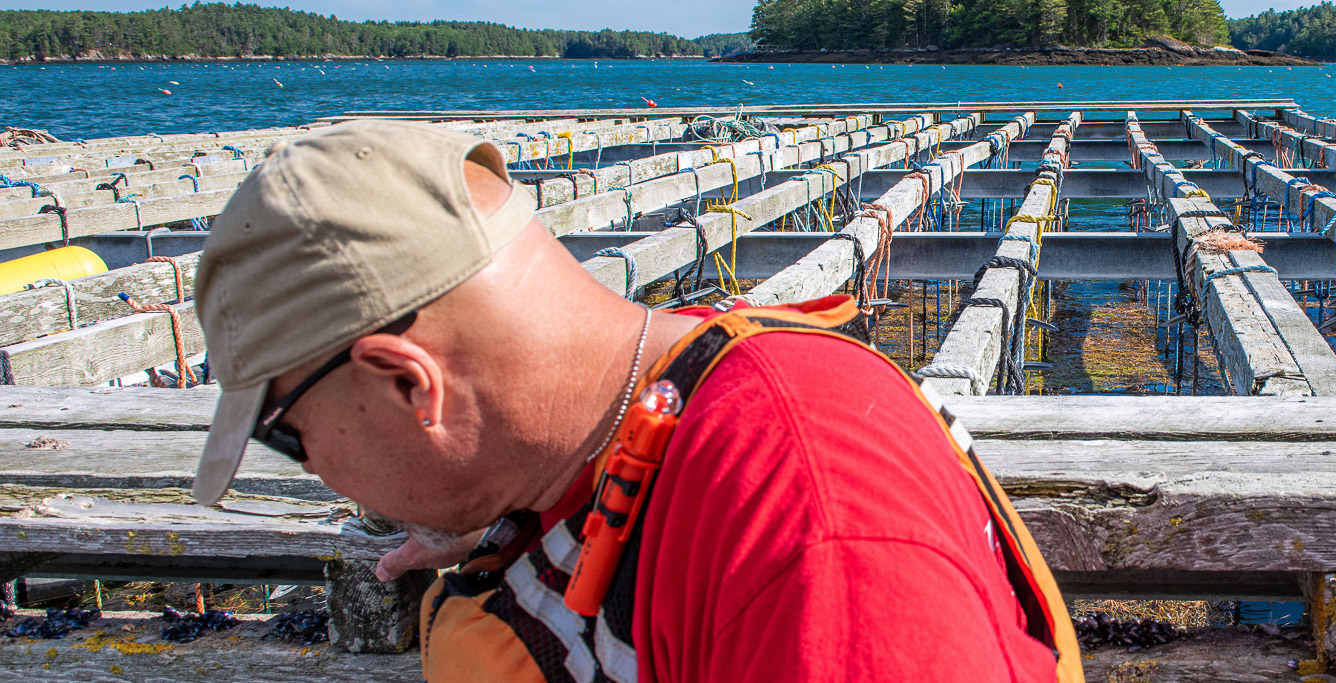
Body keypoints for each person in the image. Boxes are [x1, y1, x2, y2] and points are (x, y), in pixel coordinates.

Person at [189, 120, 1081, 682]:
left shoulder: (813, 522)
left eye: (287, 439)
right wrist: (503, 498)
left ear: (407, 382)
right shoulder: (608, 431)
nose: (325, 478)